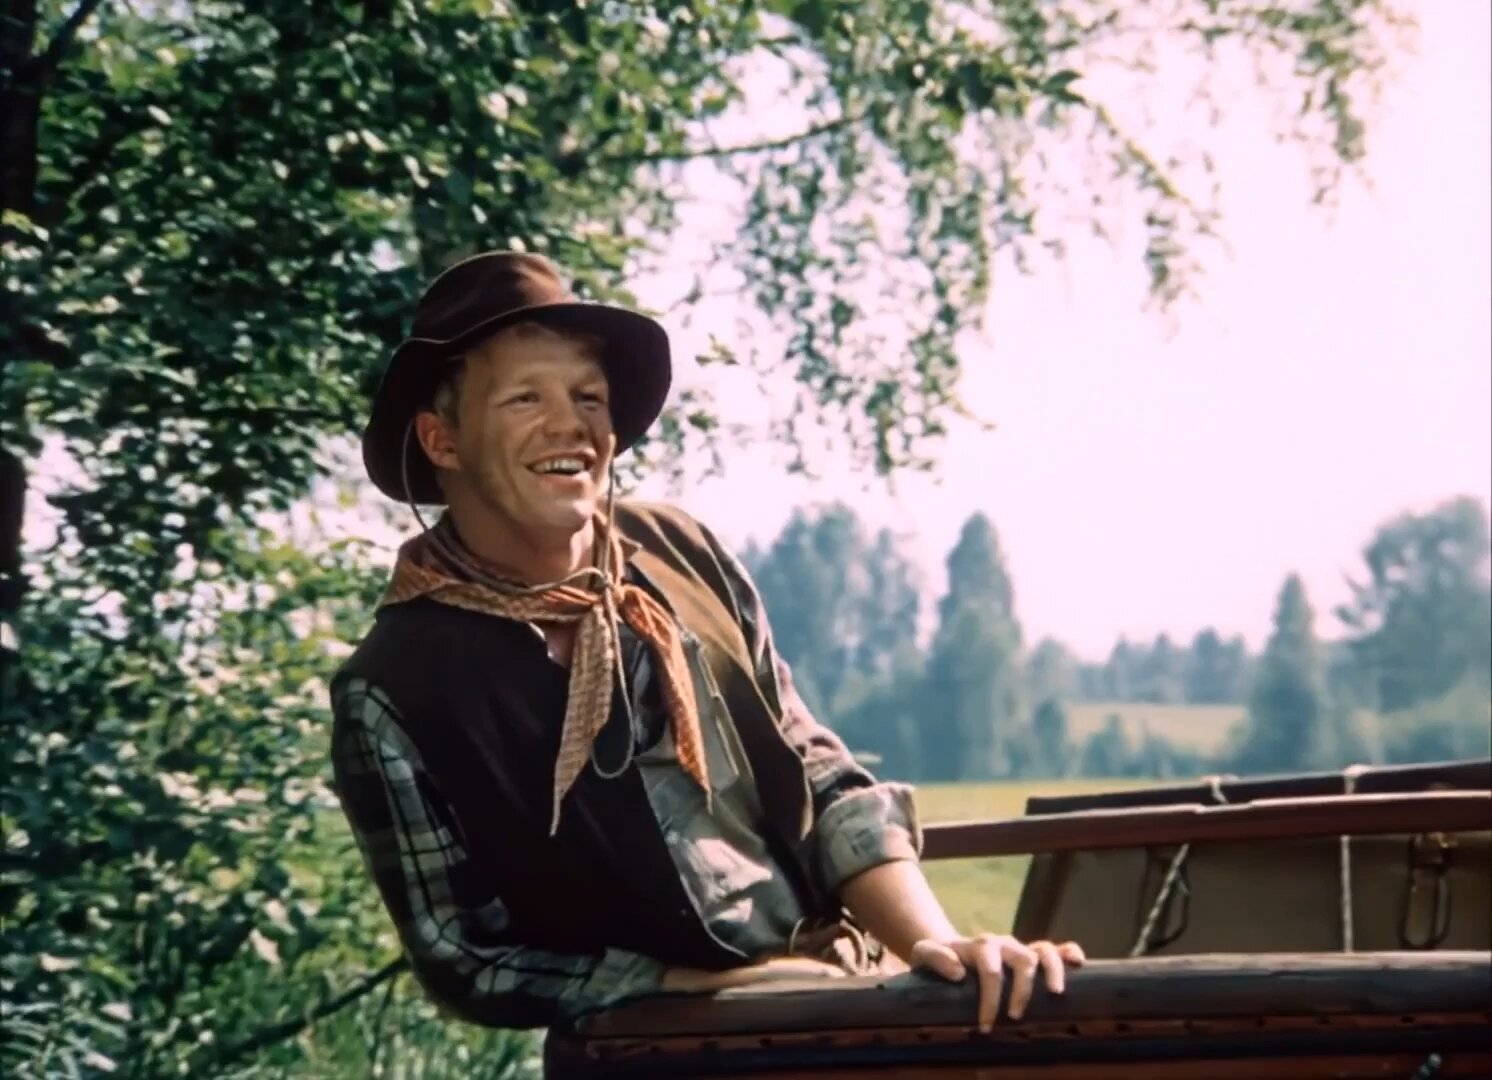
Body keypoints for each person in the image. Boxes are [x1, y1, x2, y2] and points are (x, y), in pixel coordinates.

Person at [329, 250, 1083, 1038]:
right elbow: (466, 956)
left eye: (589, 397)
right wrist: (693, 991)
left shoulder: (679, 550)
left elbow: (818, 774)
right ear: (442, 441)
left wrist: (938, 945)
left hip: (852, 996)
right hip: (655, 1050)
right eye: (526, 398)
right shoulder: (395, 687)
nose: (572, 425)